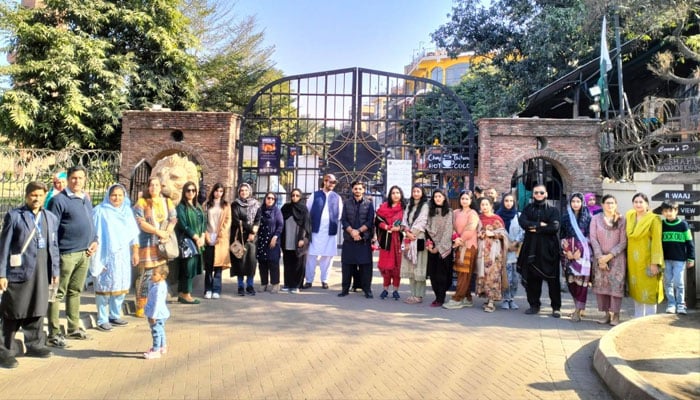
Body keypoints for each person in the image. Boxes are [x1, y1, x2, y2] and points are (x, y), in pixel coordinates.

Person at [0, 182, 59, 369]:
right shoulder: (15, 216)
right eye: (33, 195)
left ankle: (35, 344)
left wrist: (55, 270)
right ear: (26, 196)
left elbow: (54, 246)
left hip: (41, 271)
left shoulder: (50, 217)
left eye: (40, 195)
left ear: (45, 196)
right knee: (12, 310)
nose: (37, 199)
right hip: (19, 272)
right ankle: (5, 351)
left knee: (37, 307)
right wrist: (1, 274)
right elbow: (4, 248)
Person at [47, 165, 99, 346]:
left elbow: (90, 222)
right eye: (74, 178)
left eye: (81, 178)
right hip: (65, 254)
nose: (77, 181)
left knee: (75, 291)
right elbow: (51, 230)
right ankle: (53, 334)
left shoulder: (85, 198)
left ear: (85, 179)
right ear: (68, 179)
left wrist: (95, 241)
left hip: (85, 253)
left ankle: (73, 328)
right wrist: (55, 255)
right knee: (56, 293)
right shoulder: (58, 200)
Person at [89, 184, 140, 331]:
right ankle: (102, 318)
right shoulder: (100, 211)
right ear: (108, 196)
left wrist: (135, 252)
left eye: (120, 195)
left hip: (123, 255)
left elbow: (133, 235)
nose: (117, 198)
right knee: (104, 287)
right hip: (105, 253)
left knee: (120, 285)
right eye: (113, 195)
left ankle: (115, 315)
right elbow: (95, 232)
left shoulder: (127, 213)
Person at [133, 177, 177, 316]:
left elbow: (173, 218)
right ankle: (141, 304)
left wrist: (167, 233)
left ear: (160, 187)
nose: (154, 187)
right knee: (145, 275)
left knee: (160, 273)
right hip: (147, 243)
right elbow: (140, 222)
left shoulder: (167, 201)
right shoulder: (142, 202)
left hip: (161, 244)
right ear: (148, 187)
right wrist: (157, 231)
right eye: (151, 185)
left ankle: (157, 301)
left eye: (156, 185)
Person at [517, 183, 562, 318]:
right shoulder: (528, 208)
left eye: (541, 193)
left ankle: (556, 307)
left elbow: (554, 227)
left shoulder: (553, 210)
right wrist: (539, 225)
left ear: (546, 194)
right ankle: (534, 305)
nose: (539, 195)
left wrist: (534, 228)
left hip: (549, 249)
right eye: (536, 192)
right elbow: (523, 222)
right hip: (531, 248)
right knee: (532, 279)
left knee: (553, 280)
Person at [590, 194, 627, 326]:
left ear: (616, 205)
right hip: (600, 259)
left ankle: (616, 316)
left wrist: (609, 256)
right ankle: (606, 315)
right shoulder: (595, 219)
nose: (610, 205)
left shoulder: (622, 220)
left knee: (615, 287)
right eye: (607, 203)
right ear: (602, 205)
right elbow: (593, 239)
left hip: (617, 259)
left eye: (612, 203)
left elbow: (623, 242)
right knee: (602, 288)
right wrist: (600, 258)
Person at [625, 192, 664, 318]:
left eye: (641, 202)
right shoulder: (630, 216)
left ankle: (650, 319)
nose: (638, 204)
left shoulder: (654, 219)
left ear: (647, 204)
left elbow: (657, 242)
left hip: (648, 260)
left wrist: (655, 263)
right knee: (637, 289)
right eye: (635, 202)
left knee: (649, 290)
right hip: (634, 261)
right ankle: (638, 318)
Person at [338, 181, 375, 298]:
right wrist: (352, 232)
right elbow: (343, 220)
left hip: (363, 239)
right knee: (347, 265)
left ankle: (367, 290)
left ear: (363, 190)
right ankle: (345, 289)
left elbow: (370, 221)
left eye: (360, 189)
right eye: (355, 189)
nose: (357, 191)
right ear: (352, 190)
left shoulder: (369, 204)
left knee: (366, 266)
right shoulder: (347, 203)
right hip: (349, 239)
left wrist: (358, 231)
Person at [305, 174, 342, 289]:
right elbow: (308, 210)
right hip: (315, 231)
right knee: (311, 256)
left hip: (330, 232)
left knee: (327, 257)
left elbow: (340, 214)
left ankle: (324, 280)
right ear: (325, 181)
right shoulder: (315, 195)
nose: (332, 184)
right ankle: (309, 280)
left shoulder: (337, 197)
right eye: (330, 182)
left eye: (334, 182)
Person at [443, 191, 479, 310]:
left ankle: (457, 298)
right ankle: (467, 298)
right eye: (462, 198)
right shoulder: (455, 212)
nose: (464, 201)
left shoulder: (472, 213)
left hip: (469, 246)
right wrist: (455, 238)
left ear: (471, 200)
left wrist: (460, 239)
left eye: (467, 199)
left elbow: (470, 229)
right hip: (458, 245)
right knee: (461, 272)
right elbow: (451, 226)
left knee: (464, 273)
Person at [560, 193, 593, 322]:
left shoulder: (588, 217)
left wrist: (580, 250)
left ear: (582, 202)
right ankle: (577, 307)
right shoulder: (565, 217)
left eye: (578, 201)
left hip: (583, 255)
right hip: (568, 255)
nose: (575, 204)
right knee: (571, 282)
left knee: (581, 283)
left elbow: (591, 236)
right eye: (573, 201)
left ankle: (579, 311)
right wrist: (567, 251)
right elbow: (562, 235)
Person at [660, 201, 695, 315]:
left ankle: (681, 305)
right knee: (668, 282)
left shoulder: (683, 225)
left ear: (676, 211)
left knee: (679, 283)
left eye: (671, 210)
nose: (668, 213)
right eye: (666, 211)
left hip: (679, 260)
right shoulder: (661, 225)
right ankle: (671, 304)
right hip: (665, 259)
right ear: (663, 212)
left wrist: (691, 258)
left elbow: (690, 243)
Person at [475, 197, 508, 313]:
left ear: (491, 206)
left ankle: (491, 301)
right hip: (482, 251)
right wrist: (479, 234)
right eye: (482, 204)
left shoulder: (496, 219)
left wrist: (493, 233)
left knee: (493, 276)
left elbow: (503, 234)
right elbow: (474, 231)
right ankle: (487, 298)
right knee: (483, 275)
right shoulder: (478, 219)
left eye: (486, 204)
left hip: (494, 252)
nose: (484, 206)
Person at [175, 182, 206, 304]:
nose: (191, 193)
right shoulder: (181, 207)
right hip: (187, 241)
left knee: (193, 267)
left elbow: (204, 222)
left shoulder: (198, 206)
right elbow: (182, 224)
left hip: (198, 241)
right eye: (188, 190)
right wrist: (195, 237)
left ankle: (184, 293)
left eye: (193, 190)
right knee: (188, 267)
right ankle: (186, 293)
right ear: (184, 192)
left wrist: (202, 236)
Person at [401, 185, 430, 304]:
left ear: (422, 193)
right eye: (414, 191)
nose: (416, 193)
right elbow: (404, 220)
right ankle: (412, 294)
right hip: (409, 238)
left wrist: (412, 233)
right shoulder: (409, 205)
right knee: (411, 266)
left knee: (419, 267)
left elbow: (422, 221)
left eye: (418, 191)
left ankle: (419, 295)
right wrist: (407, 233)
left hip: (419, 238)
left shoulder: (425, 206)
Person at [375, 186, 405, 300]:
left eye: (398, 192)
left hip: (398, 240)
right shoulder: (384, 207)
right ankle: (385, 289)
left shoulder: (404, 208)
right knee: (386, 266)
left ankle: (396, 290)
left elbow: (407, 224)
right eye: (393, 193)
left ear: (401, 194)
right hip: (386, 241)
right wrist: (386, 226)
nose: (395, 195)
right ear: (390, 195)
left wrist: (399, 228)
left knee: (397, 266)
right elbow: (377, 221)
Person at [425, 188, 454, 307]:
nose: (437, 198)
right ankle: (438, 296)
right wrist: (430, 244)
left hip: (444, 247)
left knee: (443, 275)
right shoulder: (430, 212)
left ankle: (441, 297)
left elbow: (448, 231)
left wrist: (439, 247)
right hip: (432, 246)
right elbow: (427, 227)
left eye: (440, 196)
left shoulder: (449, 212)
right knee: (433, 274)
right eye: (435, 196)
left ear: (444, 198)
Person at [202, 183, 231, 299]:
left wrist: (221, 233)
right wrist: (205, 234)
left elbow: (228, 220)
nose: (218, 193)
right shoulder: (207, 204)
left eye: (220, 191)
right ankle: (207, 289)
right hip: (209, 235)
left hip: (220, 238)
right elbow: (203, 220)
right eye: (216, 191)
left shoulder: (226, 205)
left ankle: (216, 289)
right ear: (213, 191)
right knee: (209, 265)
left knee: (218, 265)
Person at [231, 182, 260, 296]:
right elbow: (236, 220)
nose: (244, 192)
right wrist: (251, 227)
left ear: (250, 192)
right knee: (240, 262)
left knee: (251, 263)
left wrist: (253, 232)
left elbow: (258, 219)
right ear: (239, 192)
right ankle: (240, 286)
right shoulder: (235, 205)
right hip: (239, 237)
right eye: (242, 190)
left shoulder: (256, 204)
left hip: (251, 239)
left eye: (246, 190)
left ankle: (250, 285)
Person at [496, 192, 524, 310]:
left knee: (515, 277)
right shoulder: (498, 216)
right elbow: (496, 231)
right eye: (506, 201)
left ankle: (512, 298)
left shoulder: (518, 215)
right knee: (506, 276)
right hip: (502, 251)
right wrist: (506, 244)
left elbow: (523, 231)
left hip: (515, 251)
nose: (508, 203)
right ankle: (505, 299)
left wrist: (515, 242)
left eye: (511, 201)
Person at [281, 189, 311, 293]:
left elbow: (306, 225)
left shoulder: (303, 209)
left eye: (297, 195)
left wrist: (302, 238)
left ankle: (297, 285)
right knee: (287, 262)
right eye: (293, 195)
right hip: (287, 239)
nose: (294, 197)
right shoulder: (286, 208)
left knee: (298, 263)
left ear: (300, 197)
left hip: (298, 240)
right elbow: (281, 222)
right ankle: (287, 284)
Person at [256, 192, 284, 293]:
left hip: (273, 240)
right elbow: (256, 222)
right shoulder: (260, 210)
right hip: (262, 240)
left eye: (272, 198)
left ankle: (275, 284)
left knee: (273, 262)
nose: (270, 200)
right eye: (268, 198)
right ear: (265, 199)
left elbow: (280, 225)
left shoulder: (277, 211)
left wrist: (275, 237)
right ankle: (264, 283)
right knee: (262, 262)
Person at [143, 264, 170, 360]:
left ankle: (156, 350)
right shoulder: (159, 284)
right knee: (160, 329)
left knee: (156, 331)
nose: (152, 276)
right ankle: (162, 346)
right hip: (161, 312)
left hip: (157, 313)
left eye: (154, 274)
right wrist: (151, 281)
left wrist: (153, 316)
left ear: (162, 276)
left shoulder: (159, 288)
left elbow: (157, 303)